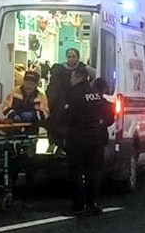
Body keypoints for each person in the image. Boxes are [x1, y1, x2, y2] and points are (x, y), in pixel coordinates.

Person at [62, 67, 112, 216]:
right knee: (92, 173)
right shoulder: (95, 95)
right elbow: (106, 114)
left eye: (72, 77)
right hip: (96, 139)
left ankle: (78, 205)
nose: (70, 80)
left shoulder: (74, 94)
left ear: (78, 77)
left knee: (75, 173)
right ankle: (92, 204)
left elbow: (68, 117)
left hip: (78, 138)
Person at [4, 71, 49, 189]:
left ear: (36, 84)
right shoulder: (14, 92)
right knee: (13, 161)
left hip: (32, 132)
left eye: (31, 82)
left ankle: (28, 192)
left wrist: (33, 116)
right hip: (15, 132)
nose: (28, 85)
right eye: (27, 82)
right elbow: (5, 107)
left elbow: (45, 113)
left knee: (31, 163)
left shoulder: (41, 96)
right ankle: (11, 189)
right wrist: (14, 115)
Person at [47, 48, 87, 149]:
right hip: (60, 103)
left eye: (74, 57)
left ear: (78, 58)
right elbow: (53, 88)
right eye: (69, 57)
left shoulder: (83, 69)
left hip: (76, 103)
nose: (71, 59)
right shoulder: (58, 70)